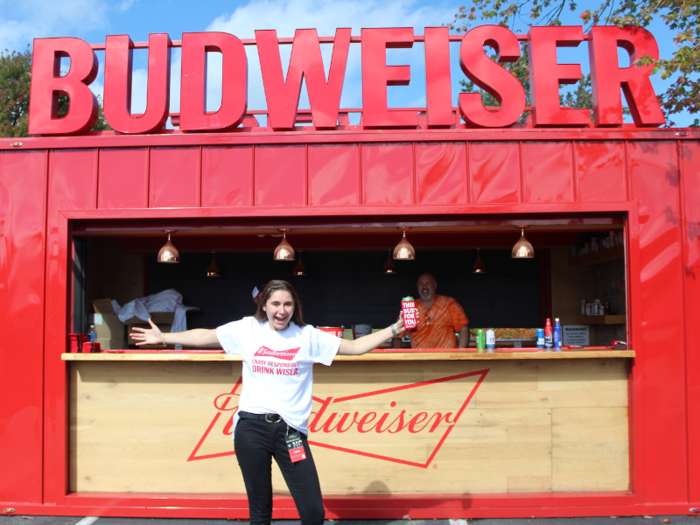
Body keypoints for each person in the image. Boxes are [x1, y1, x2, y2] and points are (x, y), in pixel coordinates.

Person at [130, 280, 404, 525]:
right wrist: (163, 337)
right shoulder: (248, 329)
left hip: (290, 432)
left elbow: (355, 348)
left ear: (294, 307)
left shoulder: (307, 336)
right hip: (251, 428)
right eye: (275, 303)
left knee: (313, 513)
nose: (281, 310)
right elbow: (205, 336)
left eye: (287, 304)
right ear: (264, 306)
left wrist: (394, 328)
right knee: (260, 514)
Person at [397, 273, 469, 349]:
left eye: (428, 283)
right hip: (419, 359)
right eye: (421, 284)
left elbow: (464, 329)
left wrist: (460, 354)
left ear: (435, 286)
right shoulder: (410, 307)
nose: (424, 287)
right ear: (417, 287)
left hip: (447, 358)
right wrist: (397, 359)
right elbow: (397, 334)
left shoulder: (449, 303)